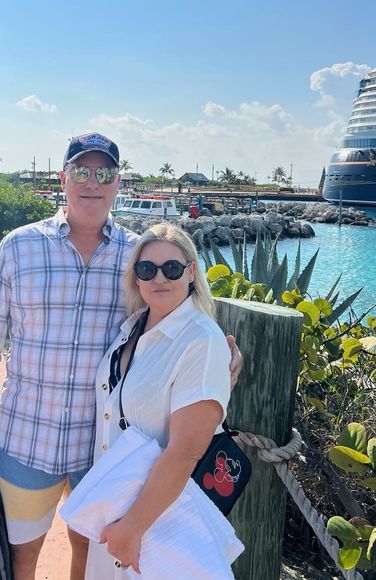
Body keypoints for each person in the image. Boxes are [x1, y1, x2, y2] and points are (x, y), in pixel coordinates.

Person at [0, 133, 242, 580]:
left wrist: (216, 351)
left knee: (90, 559)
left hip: (101, 447)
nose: (93, 182)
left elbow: (171, 320)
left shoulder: (135, 256)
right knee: (20, 558)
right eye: (81, 171)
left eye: (105, 173)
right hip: (24, 437)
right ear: (63, 178)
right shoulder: (17, 247)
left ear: (117, 182)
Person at [72, 222, 243, 578]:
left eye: (172, 268)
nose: (159, 278)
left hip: (153, 518)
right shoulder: (132, 327)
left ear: (192, 272)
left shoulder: (201, 339)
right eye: (147, 269)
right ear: (136, 276)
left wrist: (133, 527)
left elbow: (185, 451)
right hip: (115, 503)